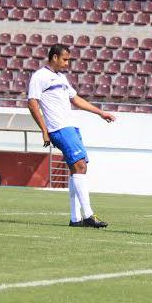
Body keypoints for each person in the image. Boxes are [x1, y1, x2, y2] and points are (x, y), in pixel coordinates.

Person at [27, 44, 114, 228]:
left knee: (77, 169)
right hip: (59, 128)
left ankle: (75, 219)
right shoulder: (40, 76)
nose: (67, 63)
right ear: (55, 57)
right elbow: (32, 103)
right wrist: (44, 130)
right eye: (65, 59)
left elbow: (75, 99)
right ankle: (89, 215)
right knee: (80, 166)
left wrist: (100, 112)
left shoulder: (62, 78)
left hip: (71, 127)